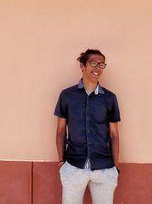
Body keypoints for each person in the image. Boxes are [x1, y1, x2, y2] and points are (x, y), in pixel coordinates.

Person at [54, 49, 121, 204]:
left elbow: (114, 135)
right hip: (73, 165)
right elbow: (61, 131)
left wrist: (115, 168)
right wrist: (61, 163)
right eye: (93, 63)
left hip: (104, 167)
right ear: (82, 66)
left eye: (101, 64)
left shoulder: (110, 98)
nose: (98, 68)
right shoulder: (67, 95)